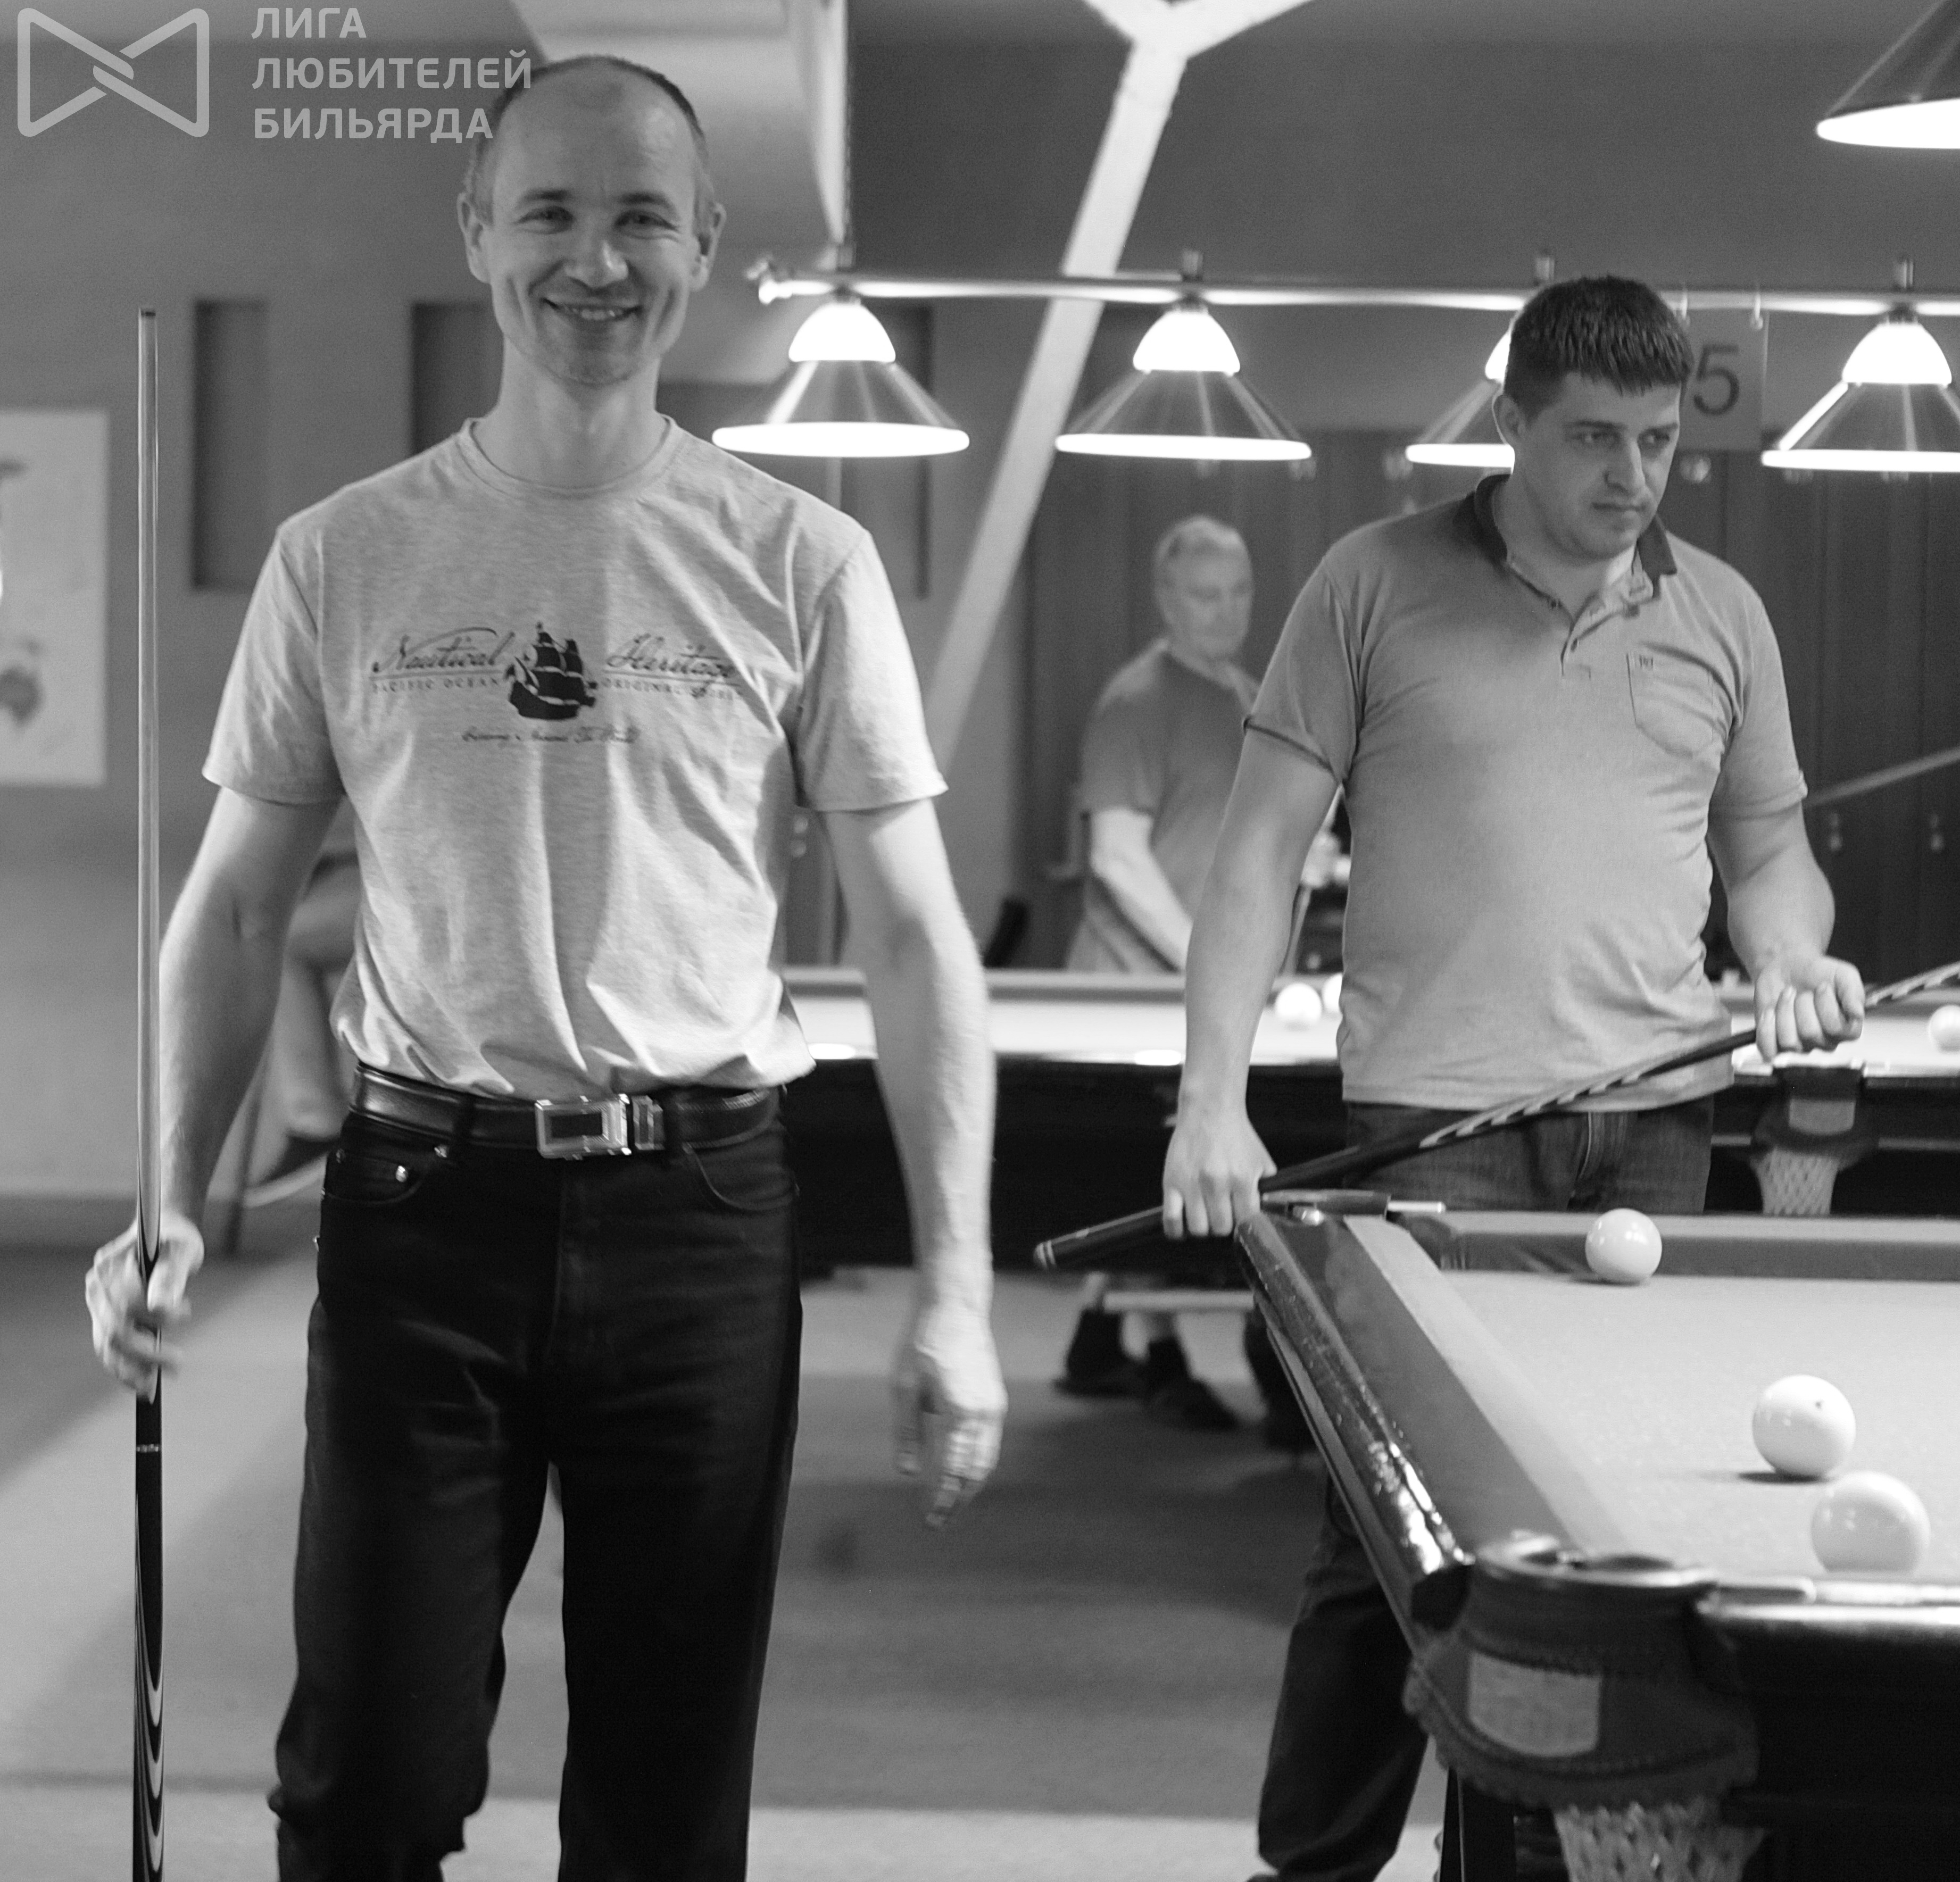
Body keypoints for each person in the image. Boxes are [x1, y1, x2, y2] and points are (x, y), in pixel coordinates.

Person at [86, 58, 1004, 1882]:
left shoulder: (802, 561)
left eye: (642, 216)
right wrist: (166, 1195)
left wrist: (958, 1291)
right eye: (553, 214)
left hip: (701, 1217)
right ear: (478, 233)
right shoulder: (342, 557)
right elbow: (238, 908)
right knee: (366, 1788)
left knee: (664, 1812)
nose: (597, 261)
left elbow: (916, 936)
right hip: (424, 1213)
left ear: (706, 243)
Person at [1161, 277, 1865, 1881]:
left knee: (1608, 1542)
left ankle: (1519, 1860)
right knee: (1387, 1538)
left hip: (1655, 1130)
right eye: (1594, 438)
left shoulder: (1722, 613)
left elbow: (1768, 853)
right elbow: (1256, 854)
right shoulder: (1371, 582)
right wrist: (1211, 1098)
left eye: (1659, 441)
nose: (1633, 475)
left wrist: (1786, 955)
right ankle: (1314, 1865)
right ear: (1510, 422)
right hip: (1435, 1137)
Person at [1054, 516, 1264, 1431]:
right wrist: (1209, 963)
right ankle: (1162, 1354)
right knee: (1147, 1179)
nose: (1224, 611)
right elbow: (1116, 855)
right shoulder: (1135, 700)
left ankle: (1101, 1343)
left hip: (1198, 984)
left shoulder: (1246, 696)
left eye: (1238, 592)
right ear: (1166, 599)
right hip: (1130, 987)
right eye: (1204, 594)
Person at [245, 800, 360, 1206]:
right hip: (352, 868)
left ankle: (317, 1123)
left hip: (402, 871)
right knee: (273, 939)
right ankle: (318, 1122)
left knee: (280, 944)